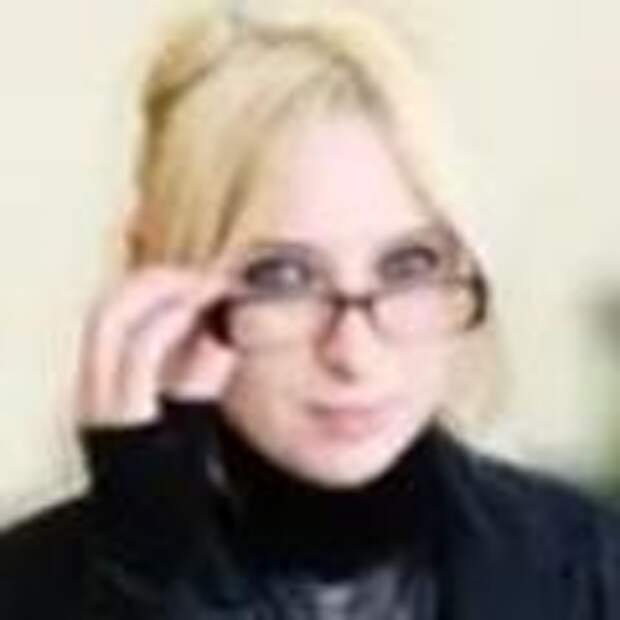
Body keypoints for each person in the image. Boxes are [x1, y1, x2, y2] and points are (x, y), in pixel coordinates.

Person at [2, 5, 620, 619]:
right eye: (282, 278)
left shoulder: (588, 566)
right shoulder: (28, 588)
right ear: (155, 274)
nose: (353, 354)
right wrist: (143, 586)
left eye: (408, 265)